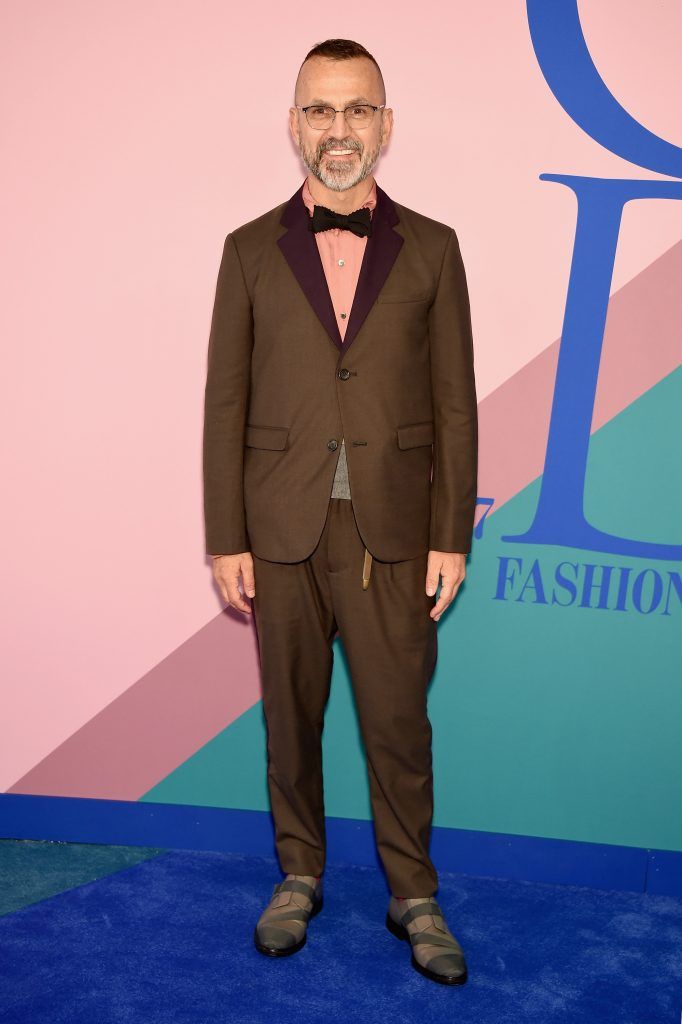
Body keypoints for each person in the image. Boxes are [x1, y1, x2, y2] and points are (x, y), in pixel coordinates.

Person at [202, 37, 478, 986]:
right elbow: (225, 405)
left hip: (394, 535)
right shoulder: (246, 252)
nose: (339, 129)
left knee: (399, 724)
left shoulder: (436, 249)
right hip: (278, 531)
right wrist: (224, 537)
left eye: (358, 109)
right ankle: (299, 874)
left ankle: (415, 894)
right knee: (291, 718)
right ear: (294, 126)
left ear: (387, 125)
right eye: (320, 110)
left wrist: (452, 535)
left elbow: (453, 405)